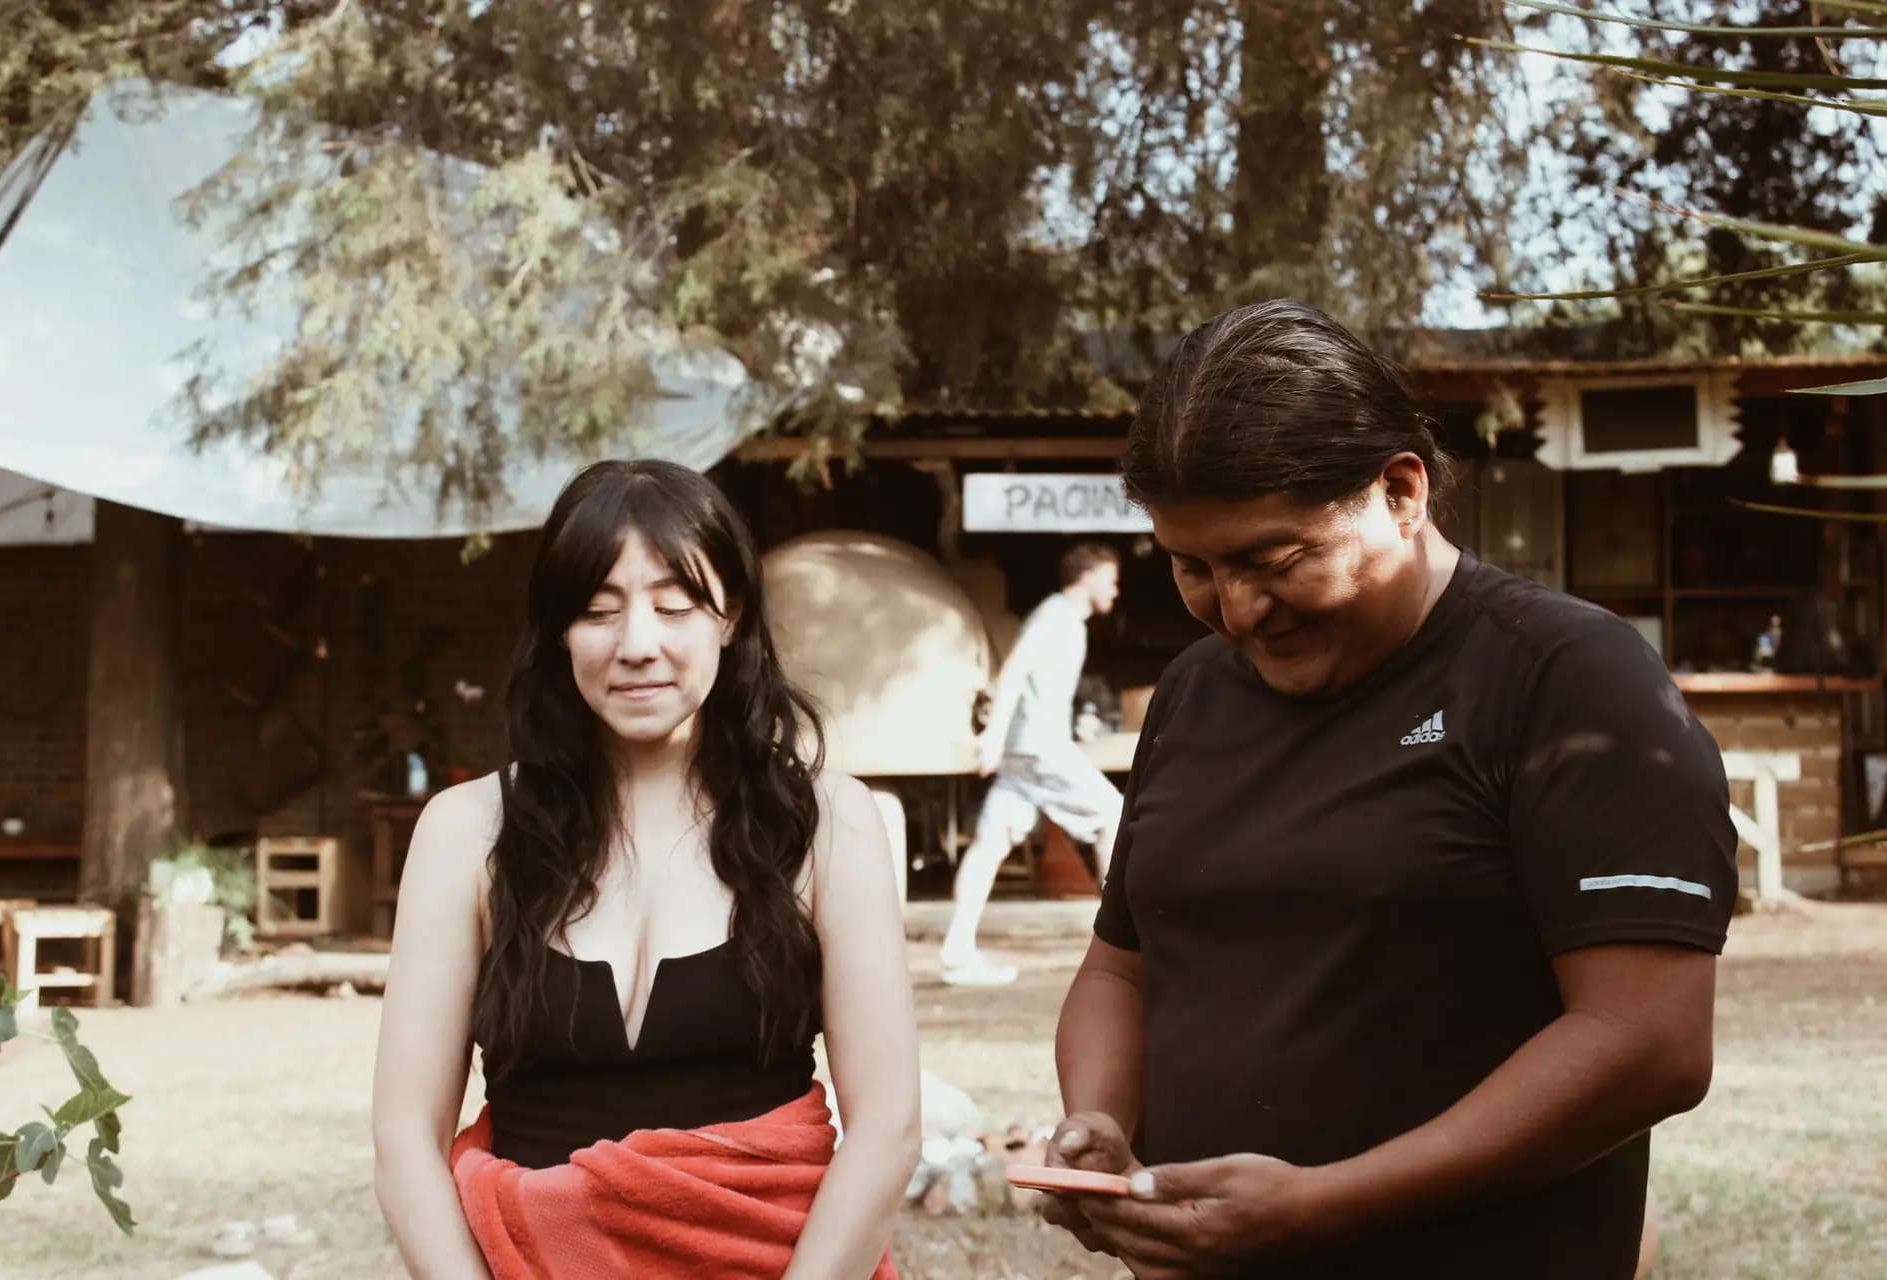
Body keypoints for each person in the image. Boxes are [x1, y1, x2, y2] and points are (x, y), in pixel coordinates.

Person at [1041, 300, 1734, 1279]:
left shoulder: (1566, 679)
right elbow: (1122, 969)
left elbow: (1649, 1041)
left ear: (1402, 490)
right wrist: (1100, 1120)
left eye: (1276, 560)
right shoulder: (1195, 692)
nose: (1237, 610)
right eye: (1193, 567)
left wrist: (1326, 1204)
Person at [372, 460, 919, 1279]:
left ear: (731, 614)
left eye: (673, 606)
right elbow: (404, 1138)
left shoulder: (829, 822)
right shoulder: (464, 832)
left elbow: (888, 1127)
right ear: (559, 630)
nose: (637, 645)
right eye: (598, 611)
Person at [939, 542, 1124, 987]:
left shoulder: (1063, 619)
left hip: (1028, 750)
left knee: (990, 845)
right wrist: (992, 737)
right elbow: (1015, 672)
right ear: (1089, 575)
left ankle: (956, 952)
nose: (1115, 591)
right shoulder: (1057, 616)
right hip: (1040, 748)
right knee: (1113, 815)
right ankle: (1120, 947)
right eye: (1111, 579)